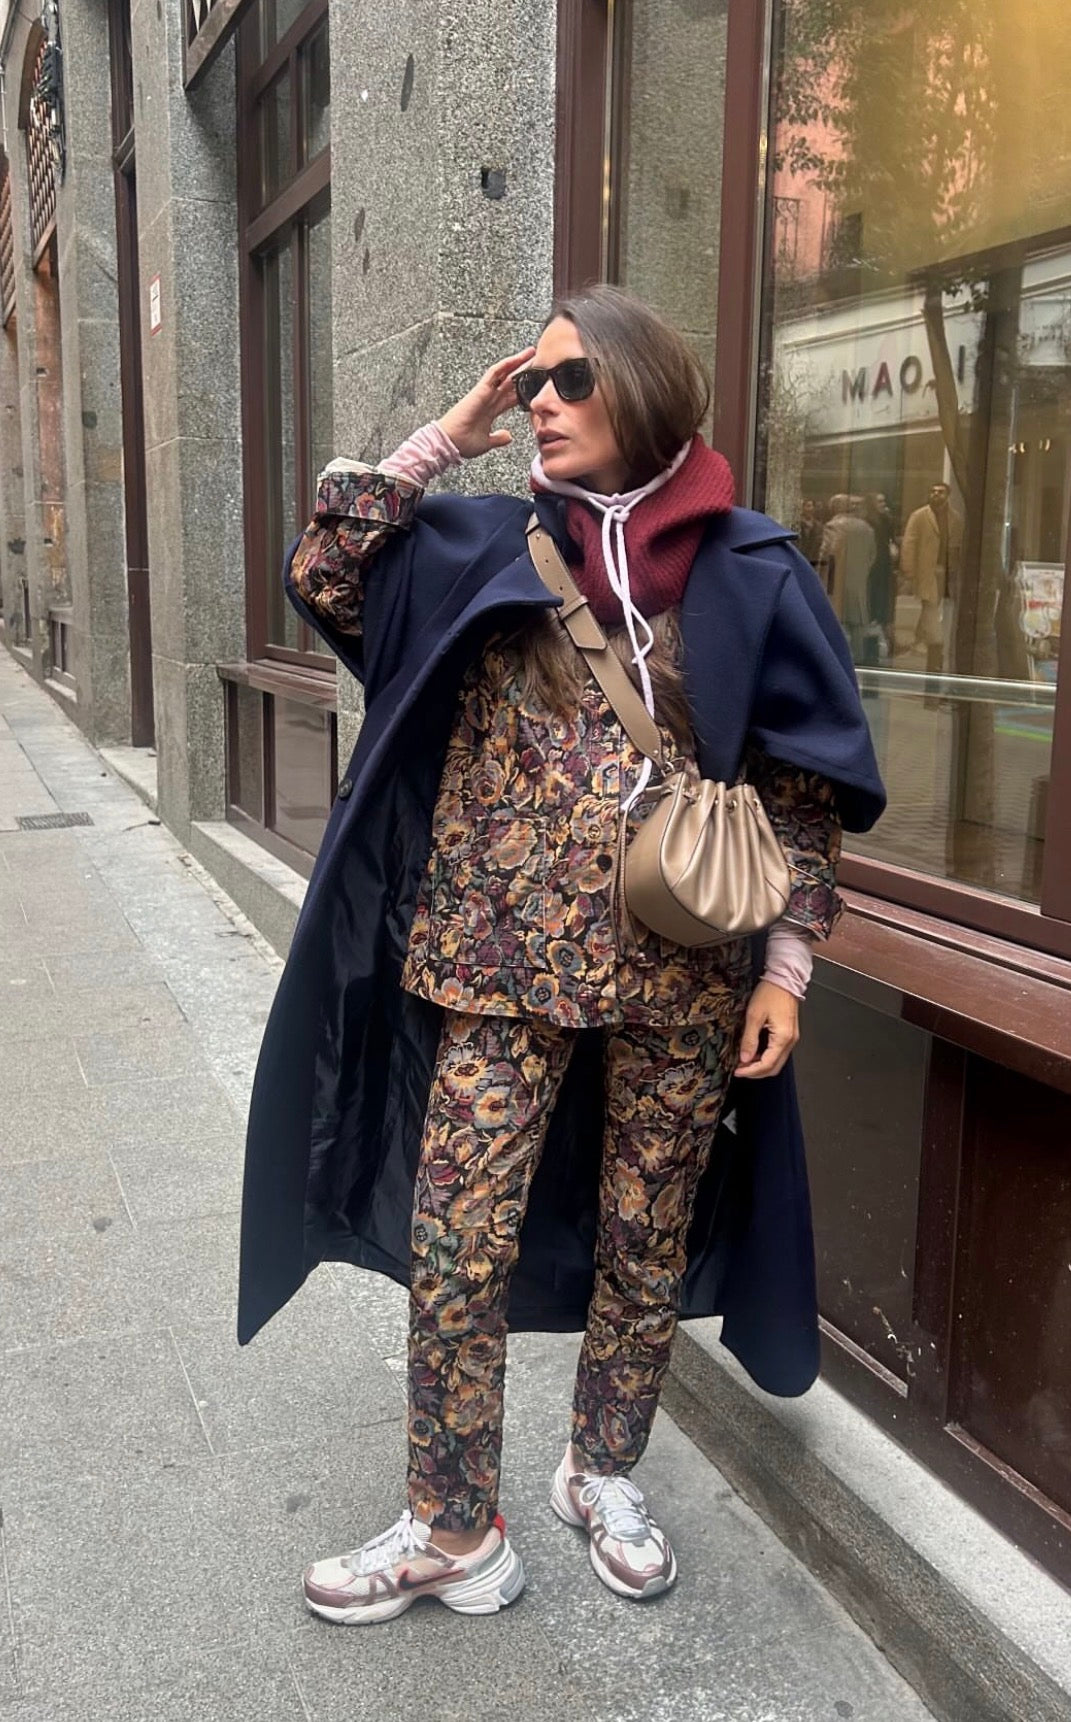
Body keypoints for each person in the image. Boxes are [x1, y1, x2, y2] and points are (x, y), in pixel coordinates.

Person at [238, 286, 885, 1626]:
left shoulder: (751, 567)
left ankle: (602, 1470)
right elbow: (324, 573)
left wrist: (786, 969)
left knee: (645, 1239)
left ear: (643, 388)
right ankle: (451, 1526)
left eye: (571, 378)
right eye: (533, 380)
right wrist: (442, 440)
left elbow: (801, 793)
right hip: (493, 964)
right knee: (455, 1238)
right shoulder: (484, 545)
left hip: (685, 979)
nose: (541, 400)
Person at [899, 481, 964, 679]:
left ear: (948, 495)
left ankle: (920, 640)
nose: (936, 494)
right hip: (927, 570)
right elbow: (909, 542)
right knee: (930, 606)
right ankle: (936, 645)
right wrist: (909, 570)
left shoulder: (955, 518)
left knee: (939, 607)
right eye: (933, 491)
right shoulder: (919, 516)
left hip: (948, 571)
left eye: (940, 492)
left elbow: (958, 545)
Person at [818, 494, 876, 660]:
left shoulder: (833, 526)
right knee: (857, 620)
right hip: (858, 580)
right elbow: (872, 555)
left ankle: (838, 657)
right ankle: (859, 656)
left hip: (836, 579)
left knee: (836, 617)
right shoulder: (866, 527)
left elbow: (826, 554)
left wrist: (820, 575)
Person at [796, 497, 824, 568]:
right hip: (799, 558)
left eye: (811, 506)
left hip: (813, 560)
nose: (809, 509)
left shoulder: (818, 526)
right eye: (807, 506)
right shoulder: (796, 524)